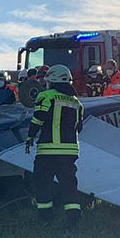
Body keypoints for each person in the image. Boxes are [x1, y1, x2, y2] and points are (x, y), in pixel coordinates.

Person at [25, 64, 84, 226]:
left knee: (42, 183)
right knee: (69, 184)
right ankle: (74, 218)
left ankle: (46, 217)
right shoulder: (77, 103)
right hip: (70, 151)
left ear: (52, 81)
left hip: (48, 150)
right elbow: (79, 127)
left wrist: (30, 137)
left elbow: (38, 118)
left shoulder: (46, 96)